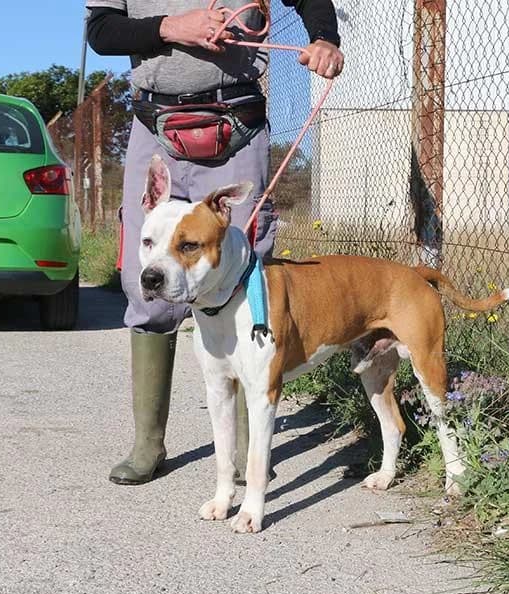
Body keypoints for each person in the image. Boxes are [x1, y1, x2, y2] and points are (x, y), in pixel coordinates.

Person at [86, 0, 344, 485]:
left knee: (248, 281)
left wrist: (325, 38)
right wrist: (173, 27)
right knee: (147, 286)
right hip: (155, 124)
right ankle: (148, 444)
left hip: (236, 121)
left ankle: (249, 449)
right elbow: (101, 31)